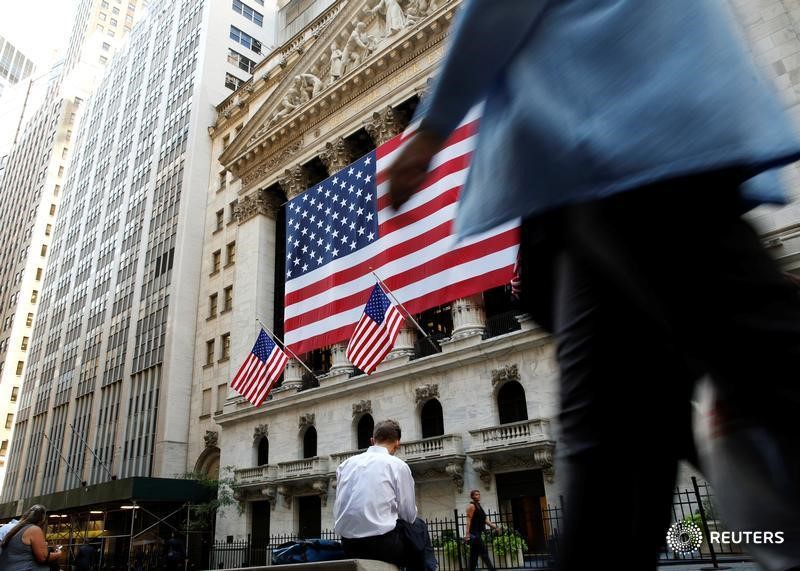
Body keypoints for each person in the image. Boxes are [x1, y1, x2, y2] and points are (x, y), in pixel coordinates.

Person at [387, 2, 800, 570]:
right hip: (605, 158)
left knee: (757, 361)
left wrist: (432, 128)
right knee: (615, 434)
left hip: (625, 139)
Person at [333, 419, 436, 571]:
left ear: (372, 441)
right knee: (419, 528)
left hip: (348, 546)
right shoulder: (397, 465)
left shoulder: (344, 465)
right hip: (382, 546)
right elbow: (408, 515)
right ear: (397, 443)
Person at [0, 505, 63, 570]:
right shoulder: (34, 529)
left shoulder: (15, 529)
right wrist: (59, 553)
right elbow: (43, 558)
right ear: (42, 519)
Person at [464, 490, 498, 571]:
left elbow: (485, 520)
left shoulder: (478, 506)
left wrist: (495, 526)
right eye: (476, 495)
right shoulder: (471, 506)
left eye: (479, 494)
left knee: (474, 556)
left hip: (478, 533)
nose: (478, 496)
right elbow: (468, 520)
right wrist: (467, 534)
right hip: (474, 534)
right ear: (472, 496)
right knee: (484, 553)